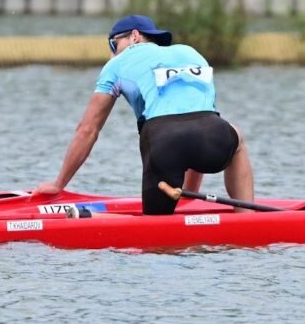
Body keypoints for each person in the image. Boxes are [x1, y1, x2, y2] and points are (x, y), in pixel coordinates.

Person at [34, 15, 255, 215]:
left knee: (158, 235)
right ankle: (247, 216)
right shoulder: (191, 53)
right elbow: (198, 118)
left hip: (163, 142)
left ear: (134, 36)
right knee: (235, 136)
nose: (112, 53)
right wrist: (189, 197)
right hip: (213, 135)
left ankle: (88, 217)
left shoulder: (116, 64)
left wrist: (58, 184)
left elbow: (88, 130)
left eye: (113, 44)